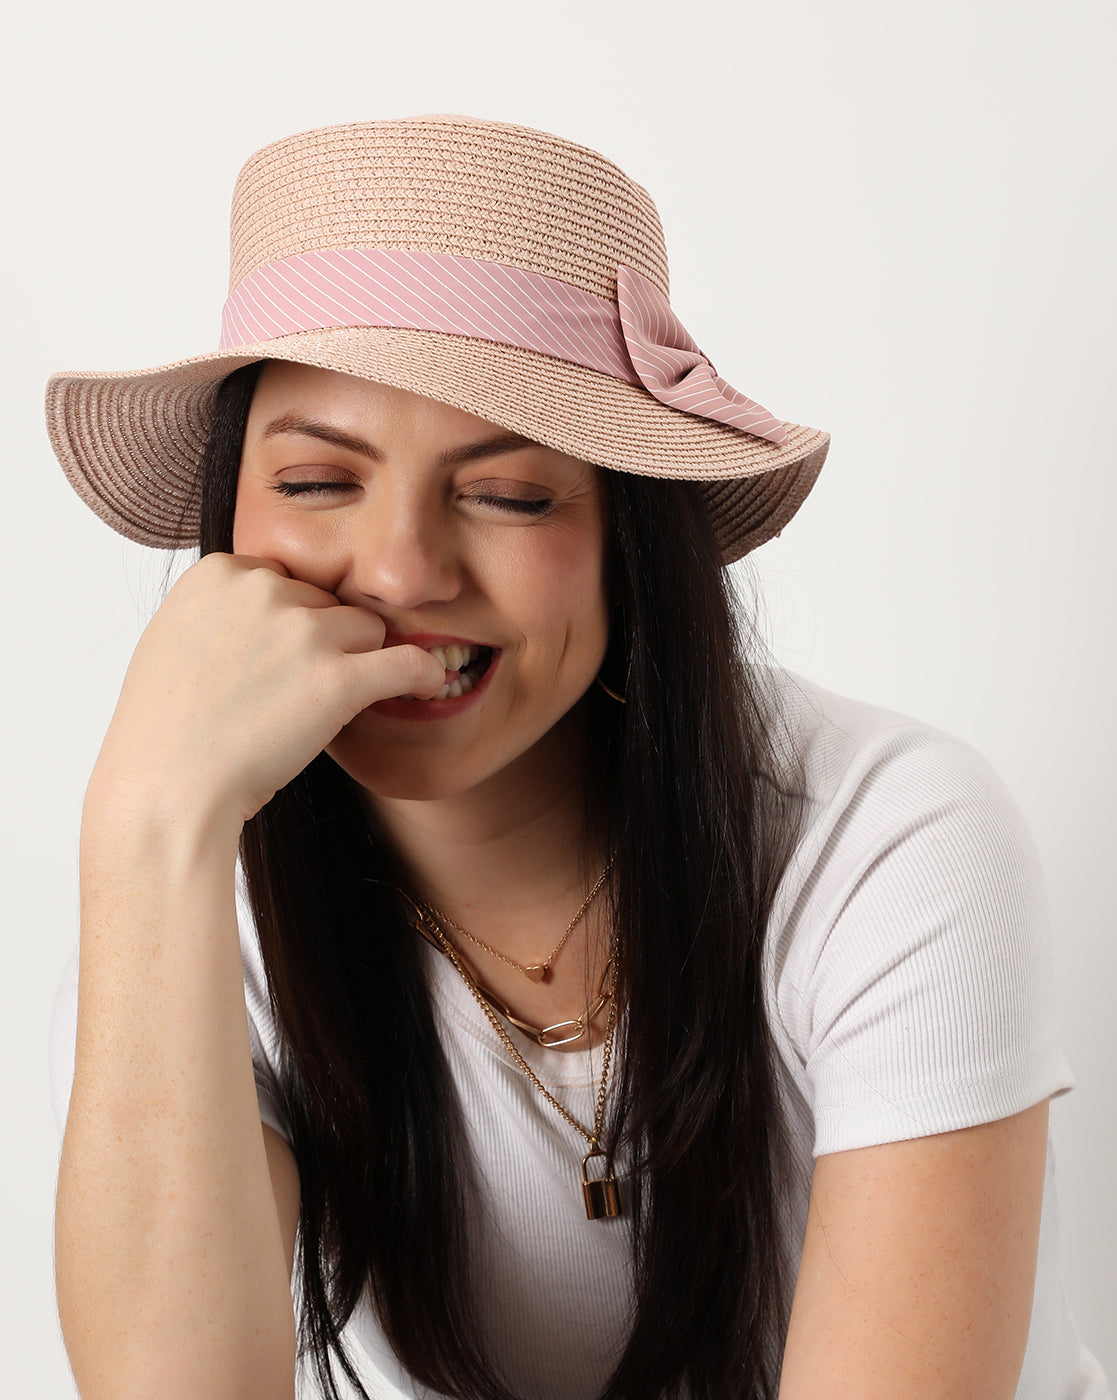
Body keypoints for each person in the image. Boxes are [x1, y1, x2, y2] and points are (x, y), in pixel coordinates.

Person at [46, 116, 1110, 1400]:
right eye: (320, 481)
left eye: (506, 492)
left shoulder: (890, 844)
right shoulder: (182, 898)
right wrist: (146, 819)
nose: (401, 573)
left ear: (627, 538)